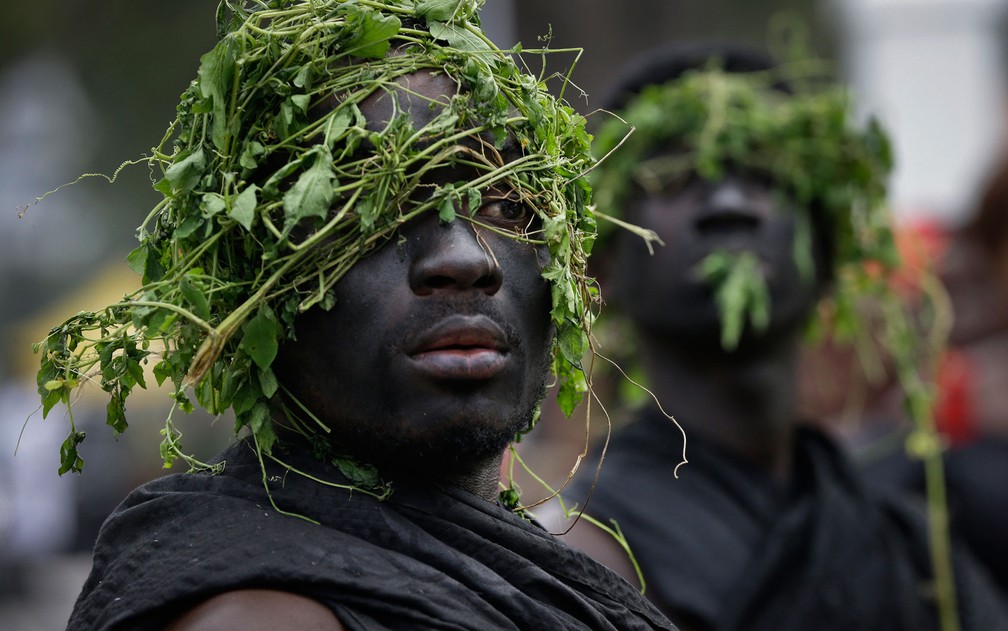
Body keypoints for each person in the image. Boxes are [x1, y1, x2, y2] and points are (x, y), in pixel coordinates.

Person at [40, 2, 675, 629]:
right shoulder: (263, 617)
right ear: (253, 290)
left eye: (507, 204)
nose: (464, 257)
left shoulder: (550, 578)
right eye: (374, 208)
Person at [549, 44, 1008, 630]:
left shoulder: (918, 554)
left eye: (767, 173)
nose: (729, 202)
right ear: (602, 267)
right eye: (675, 174)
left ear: (826, 255)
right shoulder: (569, 553)